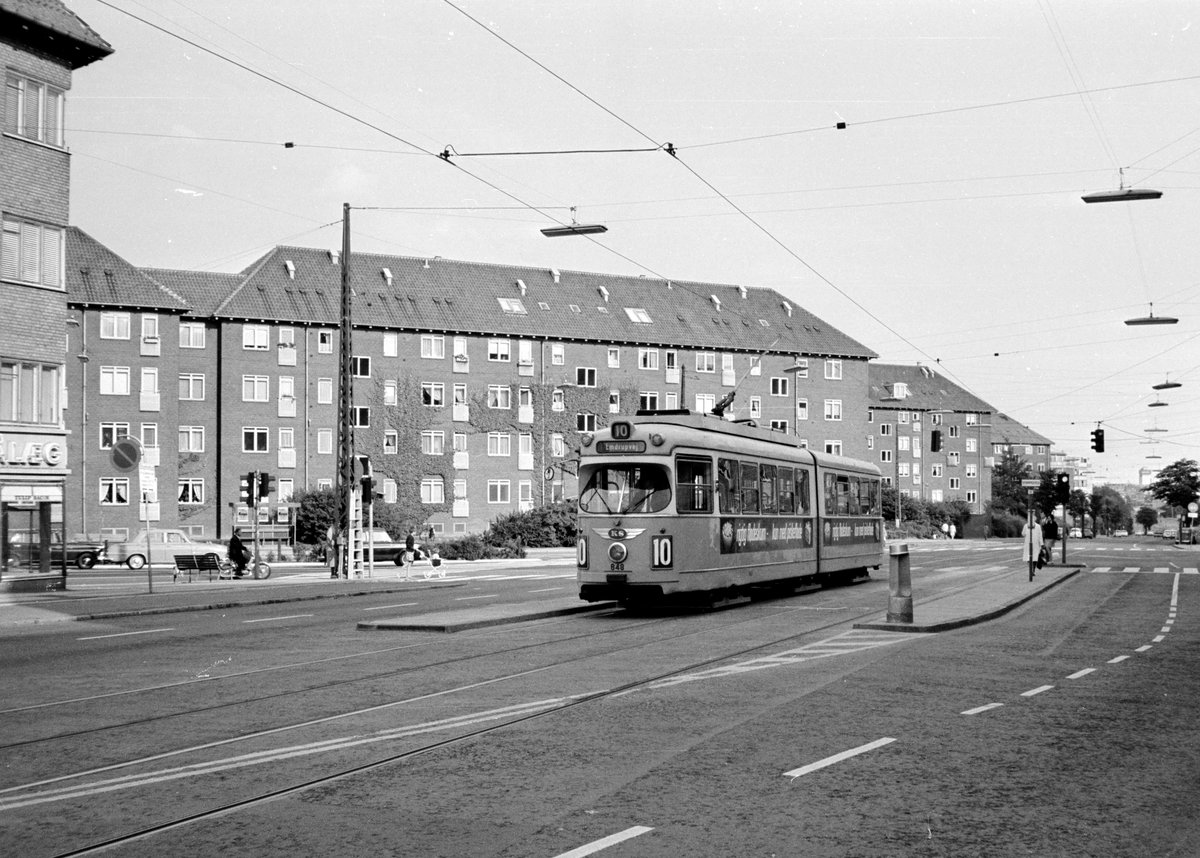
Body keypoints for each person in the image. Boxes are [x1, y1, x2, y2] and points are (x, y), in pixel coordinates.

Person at [1022, 514, 1045, 579]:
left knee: (1029, 557)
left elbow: (1023, 534)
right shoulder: (1038, 526)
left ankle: (1030, 569)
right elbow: (1040, 536)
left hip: (1028, 544)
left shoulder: (1026, 525)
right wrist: (1042, 544)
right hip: (1036, 544)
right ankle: (1033, 570)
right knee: (1035, 557)